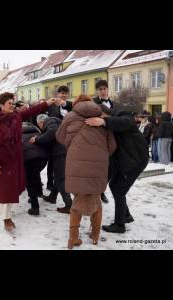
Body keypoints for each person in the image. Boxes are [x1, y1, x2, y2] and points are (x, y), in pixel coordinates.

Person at [0, 92, 56, 231]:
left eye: (13, 103)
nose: (12, 105)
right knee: (5, 190)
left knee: (11, 188)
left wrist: (47, 103)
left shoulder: (16, 116)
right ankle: (7, 219)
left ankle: (3, 209)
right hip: (0, 161)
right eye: (9, 103)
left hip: (15, 158)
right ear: (1, 105)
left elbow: (31, 110)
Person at [56, 95, 116, 248]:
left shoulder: (70, 116)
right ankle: (95, 235)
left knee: (78, 200)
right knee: (96, 199)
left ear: (76, 104)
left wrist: (75, 146)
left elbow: (60, 137)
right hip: (99, 164)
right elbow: (112, 146)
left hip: (76, 163)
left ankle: (73, 238)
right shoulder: (103, 117)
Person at [85, 104, 149, 234]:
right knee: (114, 185)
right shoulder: (109, 126)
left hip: (137, 160)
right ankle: (126, 216)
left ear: (103, 113)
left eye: (99, 116)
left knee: (119, 190)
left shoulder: (122, 115)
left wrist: (104, 121)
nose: (97, 119)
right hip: (126, 161)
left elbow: (127, 122)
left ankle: (120, 225)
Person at [29, 114, 73, 214]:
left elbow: (52, 132)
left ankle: (69, 205)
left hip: (60, 153)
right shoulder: (56, 121)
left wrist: (37, 139)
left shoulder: (50, 121)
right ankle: (53, 196)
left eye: (40, 126)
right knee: (58, 176)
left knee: (60, 179)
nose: (41, 127)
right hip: (63, 151)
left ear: (41, 122)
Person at [93, 79, 114, 204]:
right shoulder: (93, 102)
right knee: (99, 166)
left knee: (109, 168)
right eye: (100, 89)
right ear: (97, 91)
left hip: (112, 137)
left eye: (104, 88)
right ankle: (97, 191)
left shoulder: (113, 103)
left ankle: (102, 190)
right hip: (99, 136)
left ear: (107, 89)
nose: (102, 91)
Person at [22, 121, 49, 215]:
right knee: (36, 173)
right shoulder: (38, 133)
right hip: (43, 159)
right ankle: (39, 192)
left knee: (30, 183)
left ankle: (35, 207)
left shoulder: (19, 135)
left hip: (29, 160)